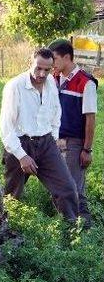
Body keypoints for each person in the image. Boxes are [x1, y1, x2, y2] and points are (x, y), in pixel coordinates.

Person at [0, 48, 79, 224]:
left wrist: (55, 138)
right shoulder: (15, 86)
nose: (41, 74)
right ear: (30, 64)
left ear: (52, 68)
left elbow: (56, 111)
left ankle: (72, 231)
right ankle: (2, 229)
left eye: (47, 69)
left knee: (67, 188)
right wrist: (21, 156)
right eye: (38, 68)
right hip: (20, 143)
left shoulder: (50, 82)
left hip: (46, 143)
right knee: (12, 195)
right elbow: (6, 127)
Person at [48, 38, 98, 227]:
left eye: (54, 59)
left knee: (74, 188)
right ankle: (65, 225)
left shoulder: (85, 82)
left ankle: (84, 229)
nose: (51, 63)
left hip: (74, 142)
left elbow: (90, 119)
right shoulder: (52, 79)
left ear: (67, 57)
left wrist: (87, 149)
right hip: (54, 140)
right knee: (56, 186)